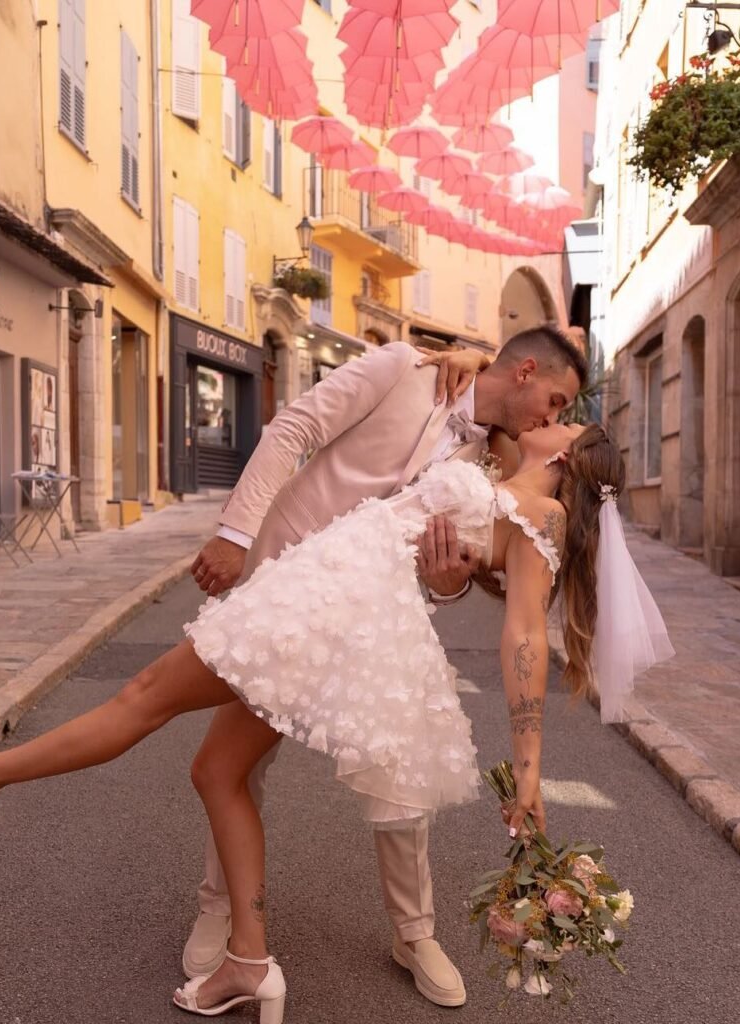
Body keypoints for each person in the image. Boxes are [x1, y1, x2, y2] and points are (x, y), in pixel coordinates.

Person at [0, 418, 675, 1023]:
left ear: (571, 453)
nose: (556, 414)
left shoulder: (544, 514)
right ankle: (249, 963)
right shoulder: (499, 469)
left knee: (144, 694)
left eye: (569, 417)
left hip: (325, 608)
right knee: (216, 771)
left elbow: (525, 633)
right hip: (322, 596)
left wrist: (530, 772)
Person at [183, 327, 585, 1007]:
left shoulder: (498, 457)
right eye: (555, 400)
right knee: (240, 761)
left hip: (376, 621)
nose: (553, 418)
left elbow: (457, 568)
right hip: (287, 583)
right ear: (524, 371)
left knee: (400, 767)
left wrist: (448, 582)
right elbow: (293, 428)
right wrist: (235, 533)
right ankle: (217, 909)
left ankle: (415, 934)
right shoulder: (406, 369)